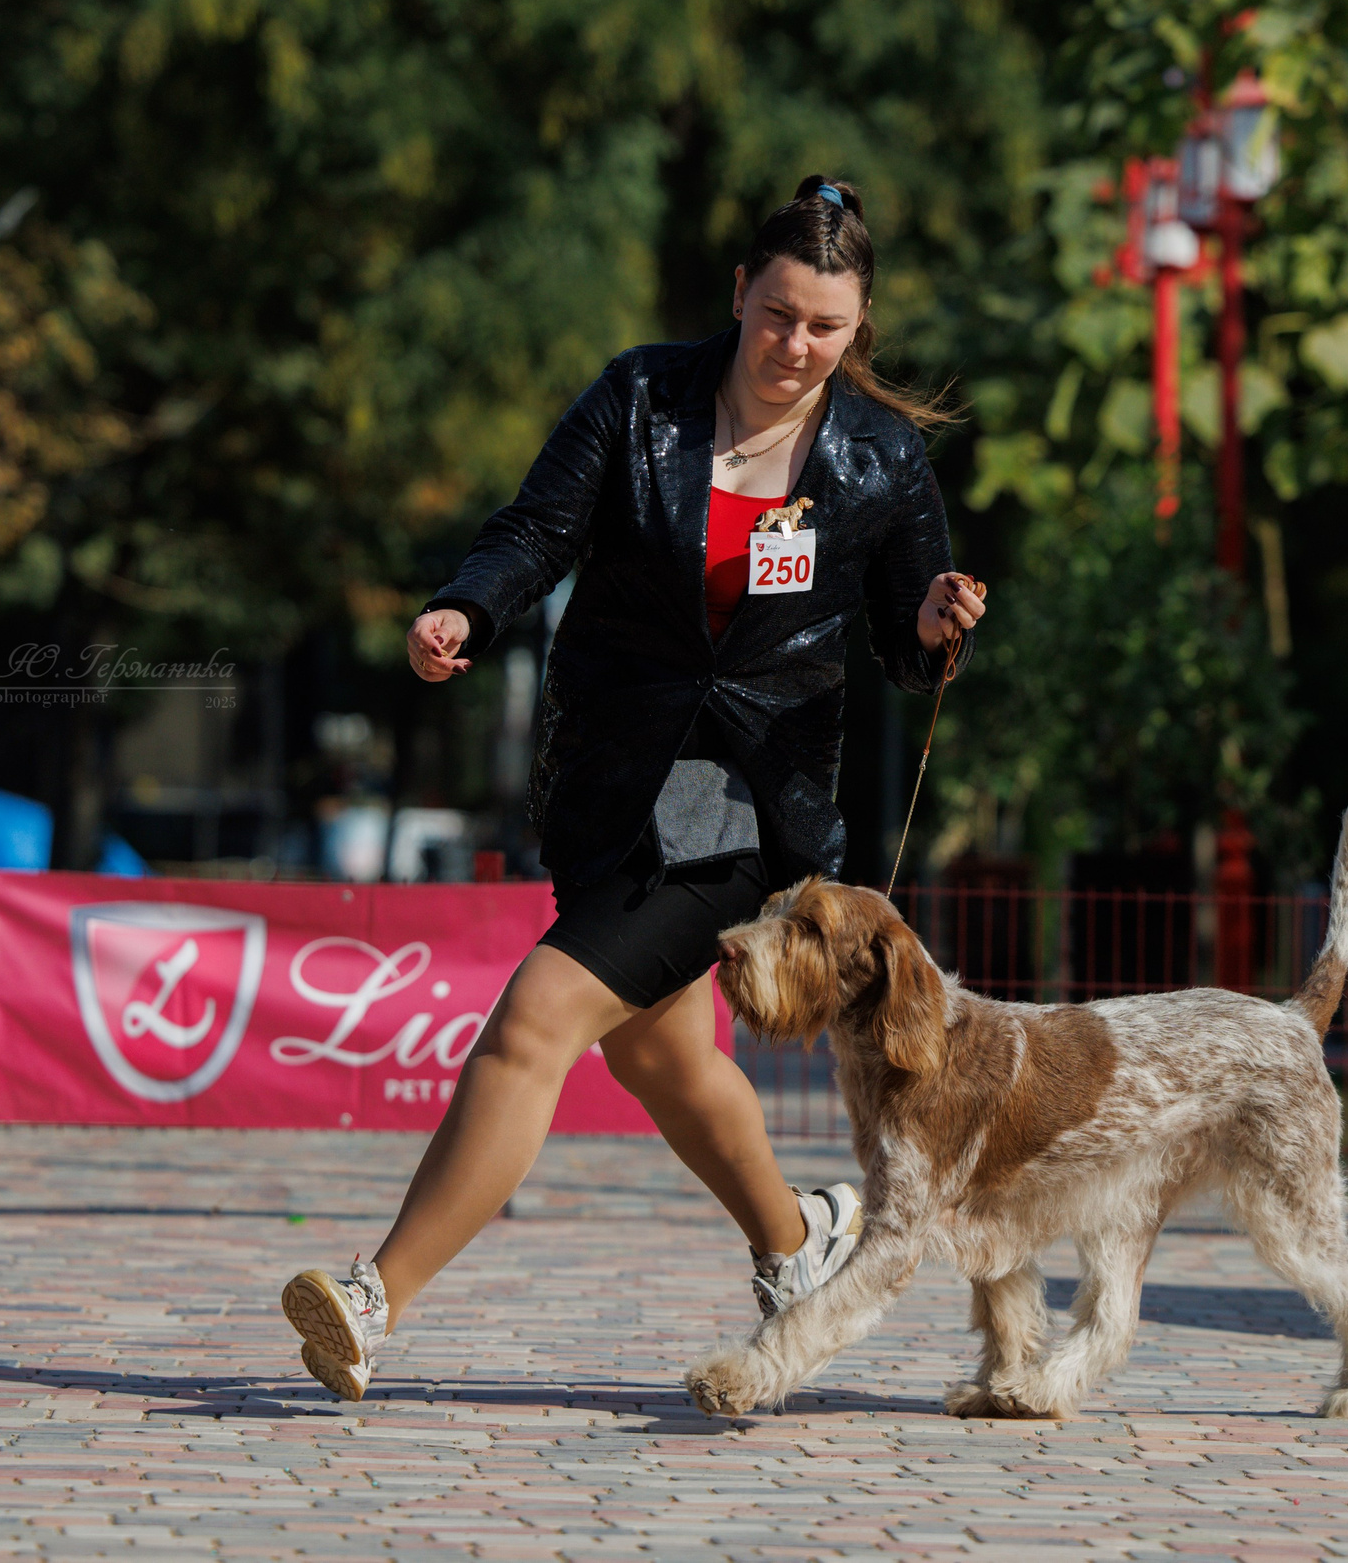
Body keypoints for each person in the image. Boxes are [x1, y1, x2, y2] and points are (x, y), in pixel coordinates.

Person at [279, 175, 989, 1402]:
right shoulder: (642, 395)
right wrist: (467, 604)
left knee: (536, 1024)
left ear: (856, 325)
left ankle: (372, 1297)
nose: (795, 345)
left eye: (825, 327)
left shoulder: (879, 455)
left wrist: (934, 622)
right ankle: (796, 1239)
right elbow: (537, 530)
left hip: (745, 809)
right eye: (776, 315)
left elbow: (905, 631)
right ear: (739, 292)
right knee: (657, 1054)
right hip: (609, 778)